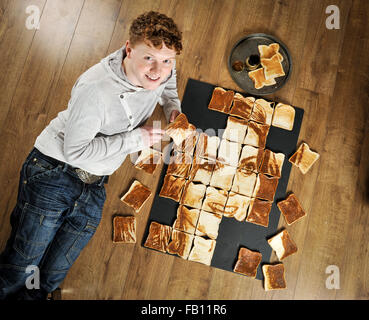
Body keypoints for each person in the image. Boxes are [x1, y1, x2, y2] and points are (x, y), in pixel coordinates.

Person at [0, 11, 183, 300]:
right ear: (128, 49)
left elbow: (168, 85)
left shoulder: (163, 69)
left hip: (95, 184)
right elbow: (76, 150)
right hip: (55, 171)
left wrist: (173, 108)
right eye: (149, 58)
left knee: (52, 275)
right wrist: (137, 138)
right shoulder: (95, 90)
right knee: (21, 267)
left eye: (167, 61)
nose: (158, 70)